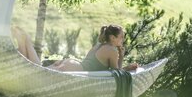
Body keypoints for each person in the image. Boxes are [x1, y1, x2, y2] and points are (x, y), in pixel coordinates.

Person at [11, 24, 139, 72]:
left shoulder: (99, 45)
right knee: (37, 71)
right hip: (74, 67)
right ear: (112, 38)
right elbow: (116, 73)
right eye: (121, 37)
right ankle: (24, 40)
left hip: (70, 63)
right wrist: (124, 61)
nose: (123, 39)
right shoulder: (111, 50)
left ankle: (25, 41)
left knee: (38, 69)